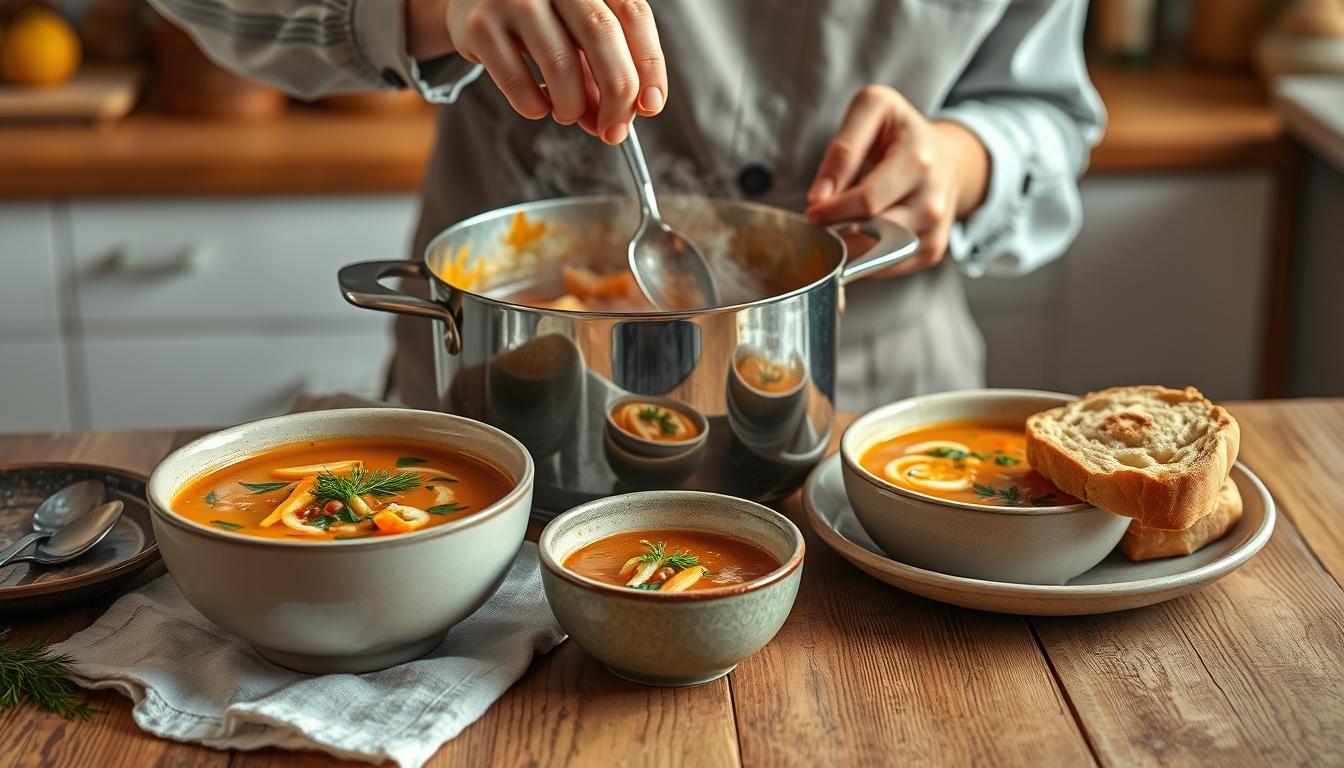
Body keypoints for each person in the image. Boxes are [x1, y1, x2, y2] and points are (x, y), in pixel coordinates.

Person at [149, 0, 1104, 410]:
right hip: (510, 407)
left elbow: (1048, 112)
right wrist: (442, 6)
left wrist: (963, 159)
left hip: (865, 416)